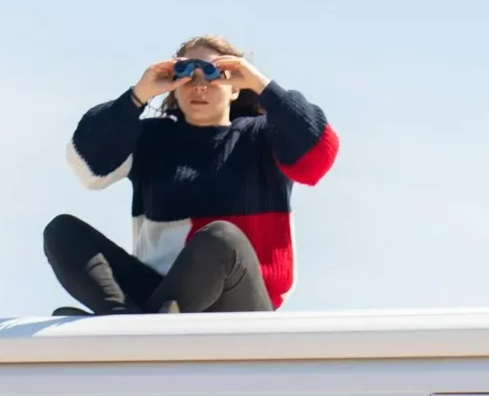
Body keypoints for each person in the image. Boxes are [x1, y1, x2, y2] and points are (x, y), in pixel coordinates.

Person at [46, 35, 339, 314]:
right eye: (187, 76)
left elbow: (320, 153)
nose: (199, 87)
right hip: (159, 295)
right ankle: (128, 322)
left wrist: (261, 84)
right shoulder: (150, 139)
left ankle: (128, 327)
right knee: (62, 232)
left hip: (239, 302)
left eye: (213, 75)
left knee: (222, 238)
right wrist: (138, 95)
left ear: (236, 85)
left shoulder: (265, 137)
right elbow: (86, 166)